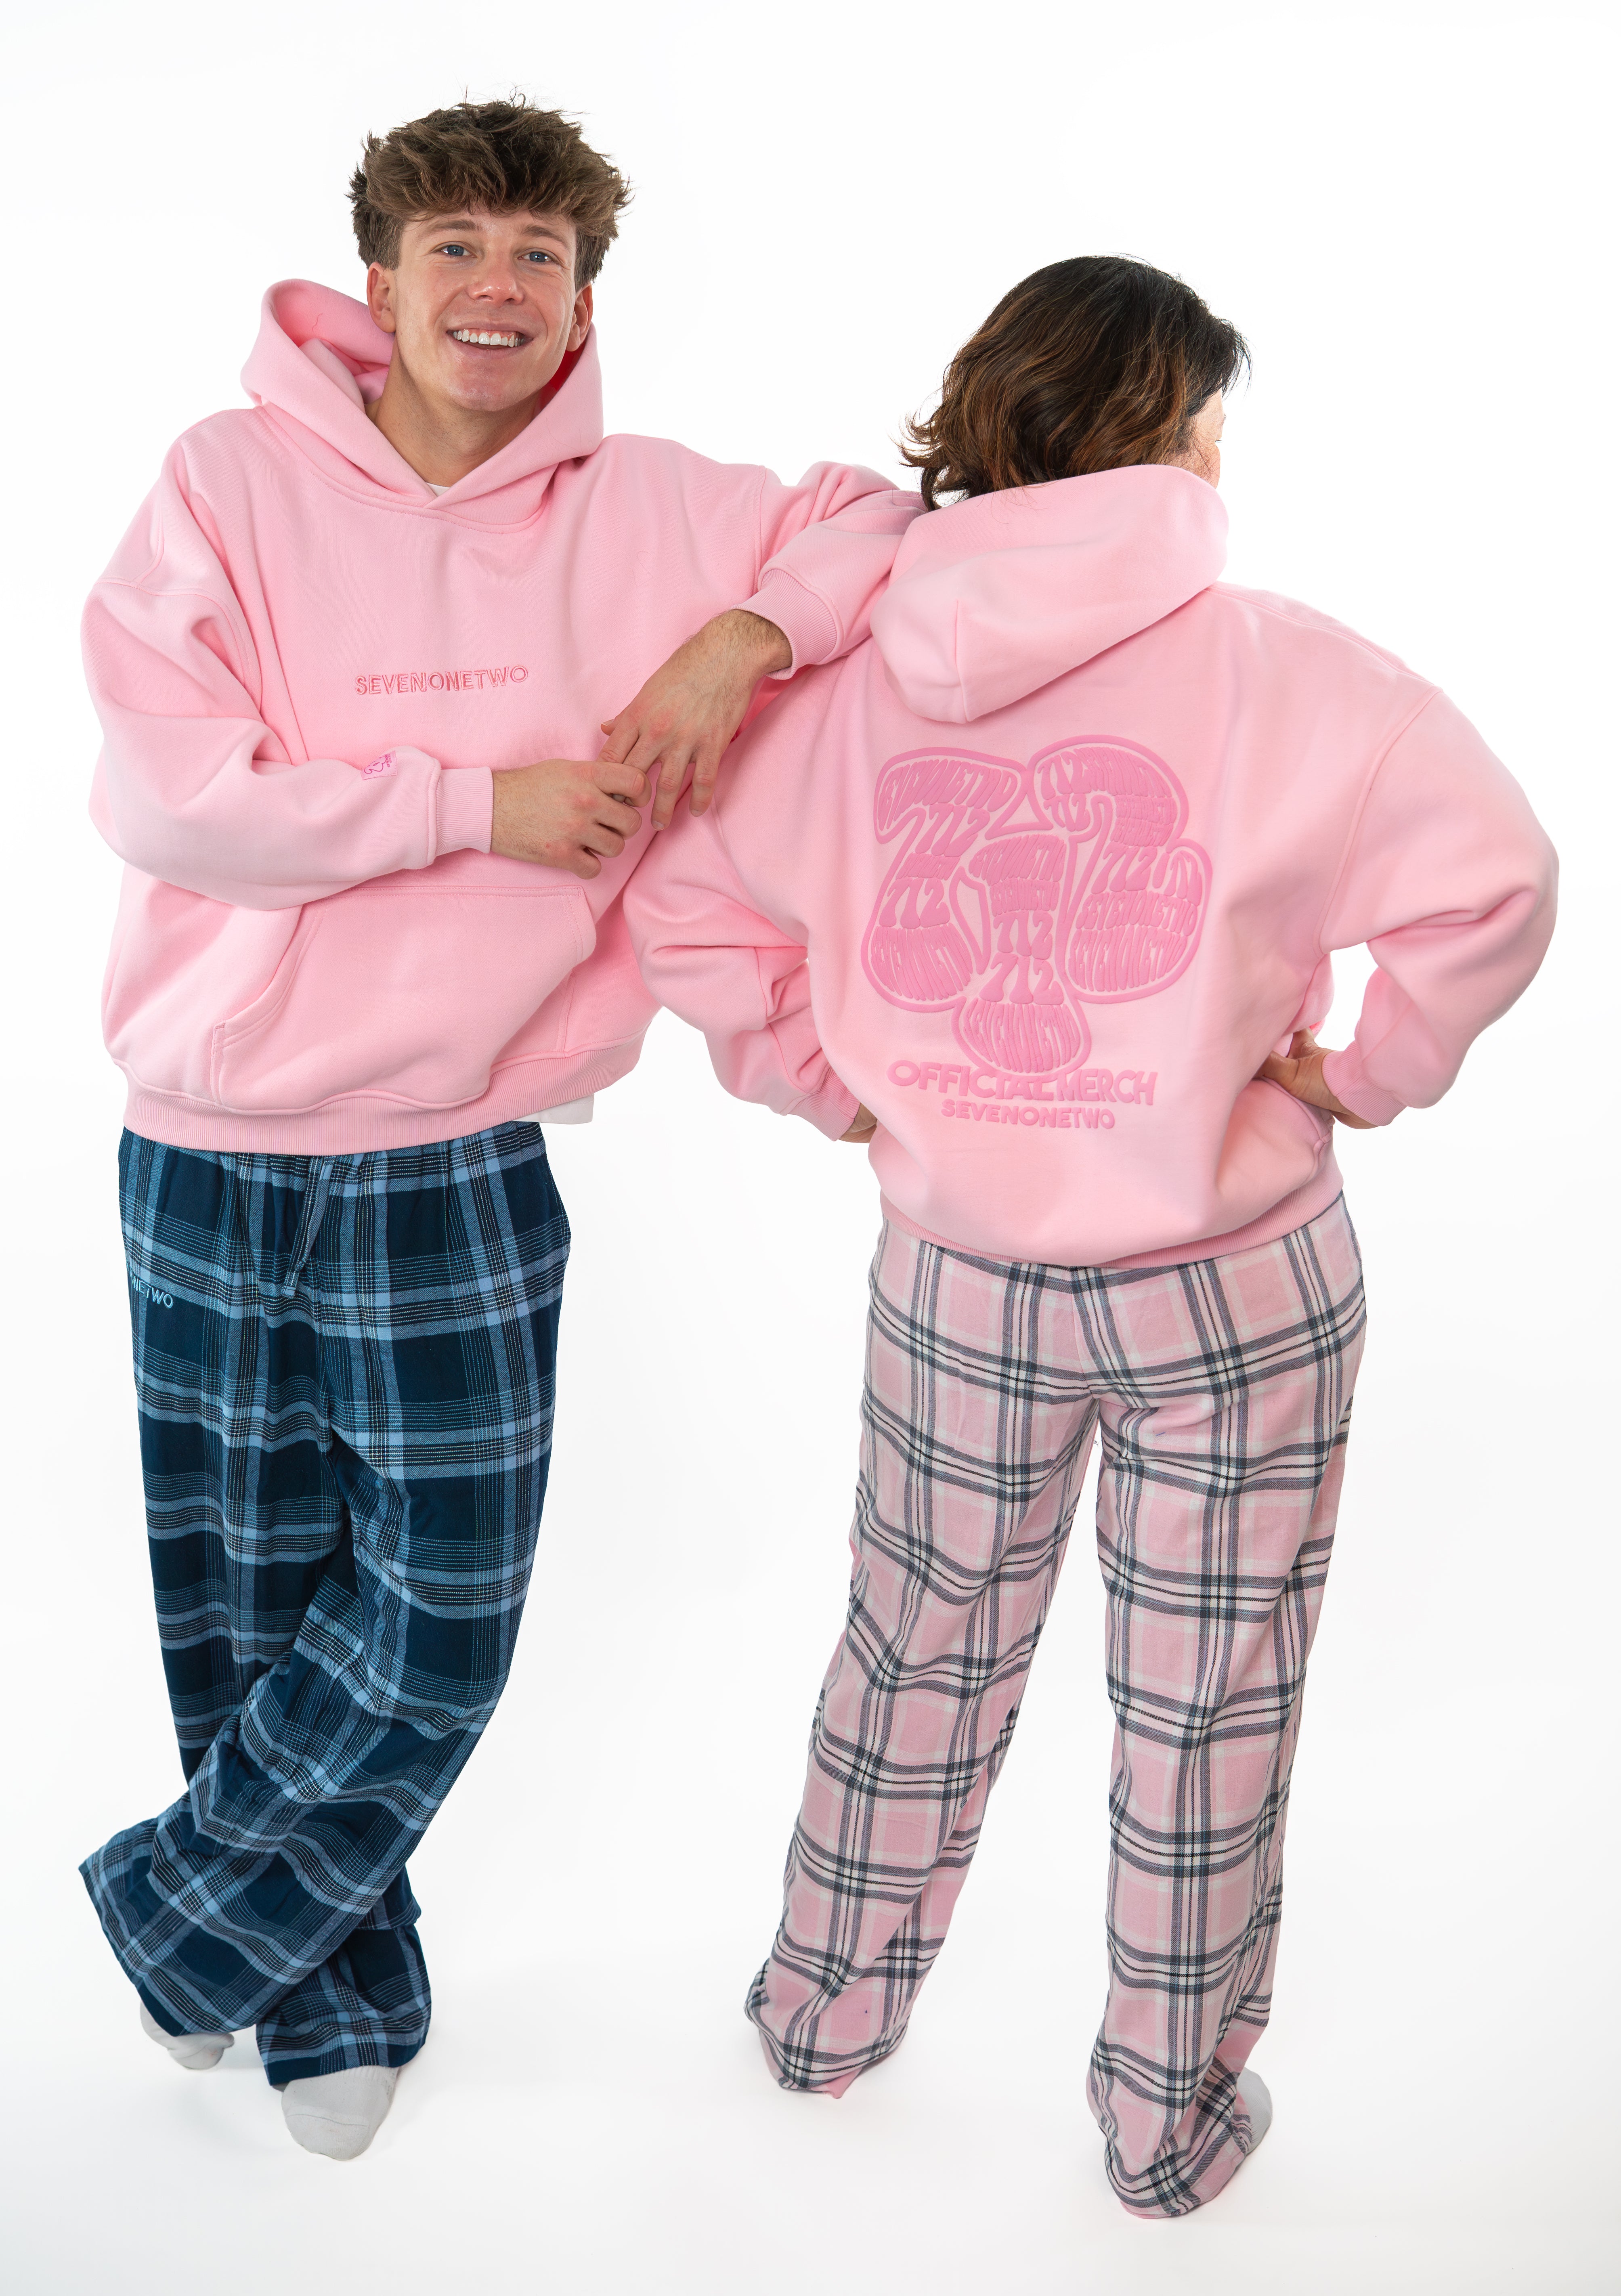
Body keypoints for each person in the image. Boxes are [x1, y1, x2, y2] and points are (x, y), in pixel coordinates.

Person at [625, 256, 1557, 2216]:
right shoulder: (1296, 673)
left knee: (913, 1639)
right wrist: (1358, 1075)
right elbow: (1495, 883)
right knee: (1208, 1697)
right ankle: (1162, 2125)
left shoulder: (839, 687)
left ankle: (818, 2019)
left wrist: (831, 1078)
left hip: (957, 1270)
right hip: (1232, 1276)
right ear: (1180, 436)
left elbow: (681, 892)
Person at [80, 96, 918, 2161]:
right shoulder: (225, 481)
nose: (497, 286)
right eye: (454, 245)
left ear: (582, 300)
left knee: (440, 1610)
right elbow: (170, 797)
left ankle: (187, 1925)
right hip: (211, 1130)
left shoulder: (659, 508)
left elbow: (888, 523)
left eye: (540, 255)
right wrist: (481, 805)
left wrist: (737, 639)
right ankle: (326, 1992)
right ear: (378, 281)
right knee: (249, 1594)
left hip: (456, 1138)